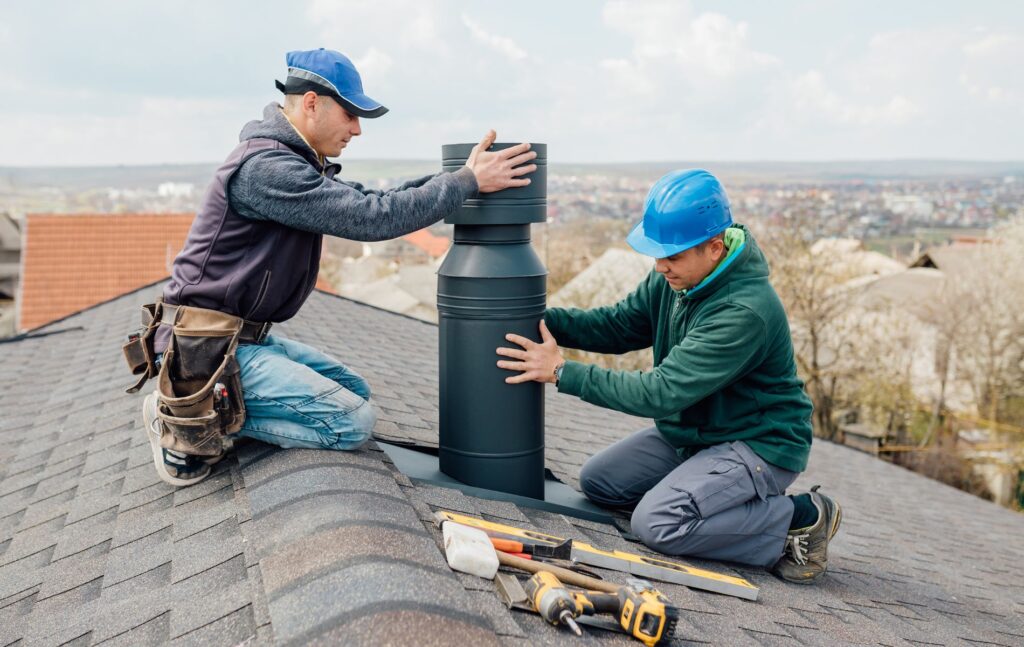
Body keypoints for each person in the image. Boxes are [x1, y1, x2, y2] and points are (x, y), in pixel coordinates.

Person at [144, 48, 536, 487]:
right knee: (350, 421)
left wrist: (459, 176)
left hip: (240, 342)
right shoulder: (266, 170)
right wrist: (469, 182)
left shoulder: (293, 162)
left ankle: (209, 406)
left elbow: (370, 200)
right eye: (350, 114)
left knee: (355, 393)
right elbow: (374, 218)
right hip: (205, 350)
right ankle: (185, 418)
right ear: (311, 103)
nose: (357, 129)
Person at [496, 169, 842, 584]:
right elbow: (620, 326)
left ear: (715, 248)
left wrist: (560, 371)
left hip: (757, 445)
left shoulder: (742, 311)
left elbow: (658, 394)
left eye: (672, 257)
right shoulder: (678, 278)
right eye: (657, 254)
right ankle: (708, 495)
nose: (660, 267)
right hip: (696, 436)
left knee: (657, 524)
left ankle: (797, 518)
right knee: (600, 482)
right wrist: (539, 320)